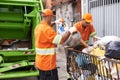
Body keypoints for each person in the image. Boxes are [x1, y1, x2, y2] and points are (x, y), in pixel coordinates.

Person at [34, 9, 77, 80]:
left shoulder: (38, 27)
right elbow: (61, 40)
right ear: (48, 17)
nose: (52, 19)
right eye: (51, 17)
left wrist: (55, 22)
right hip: (48, 66)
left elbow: (46, 26)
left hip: (41, 63)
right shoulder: (47, 30)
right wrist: (70, 31)